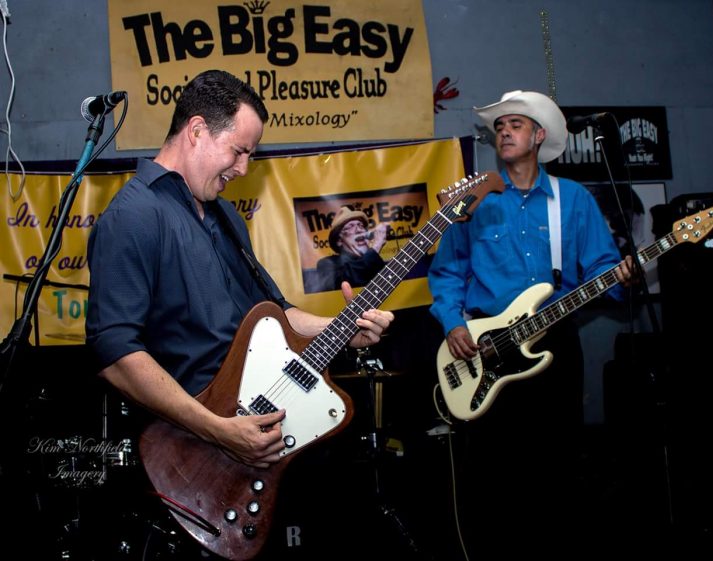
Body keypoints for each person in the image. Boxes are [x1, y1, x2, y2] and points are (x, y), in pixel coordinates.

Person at [85, 70, 394, 476]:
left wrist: (342, 327)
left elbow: (276, 312)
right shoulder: (134, 215)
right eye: (239, 151)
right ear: (197, 131)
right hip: (188, 453)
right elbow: (114, 352)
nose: (245, 169)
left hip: (251, 436)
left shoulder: (225, 216)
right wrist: (217, 430)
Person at [427, 90, 636, 557]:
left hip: (555, 342)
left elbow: (602, 268)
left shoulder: (572, 199)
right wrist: (453, 324)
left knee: (557, 465)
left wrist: (623, 276)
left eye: (515, 125)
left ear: (539, 136)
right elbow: (447, 273)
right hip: (484, 348)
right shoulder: (475, 199)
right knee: (492, 474)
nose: (504, 132)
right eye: (500, 127)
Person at [313, 206, 388, 292]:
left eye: (361, 225)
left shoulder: (376, 261)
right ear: (339, 241)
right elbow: (345, 283)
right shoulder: (327, 264)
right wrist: (376, 247)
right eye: (350, 226)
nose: (359, 230)